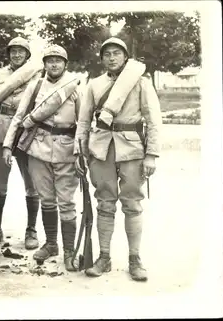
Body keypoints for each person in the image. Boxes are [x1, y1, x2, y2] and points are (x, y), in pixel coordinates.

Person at [74, 37, 162, 281]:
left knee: (132, 203)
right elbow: (83, 121)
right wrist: (79, 152)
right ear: (101, 59)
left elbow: (153, 119)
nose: (111, 57)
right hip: (101, 148)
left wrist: (152, 155)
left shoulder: (140, 82)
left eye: (116, 53)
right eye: (107, 54)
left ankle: (135, 258)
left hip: (132, 148)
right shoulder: (94, 84)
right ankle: (104, 257)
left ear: (125, 56)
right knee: (105, 202)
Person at [2, 45, 82, 270]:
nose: (54, 64)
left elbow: (83, 123)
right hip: (38, 149)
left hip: (66, 150)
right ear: (44, 64)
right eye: (50, 60)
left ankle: (69, 251)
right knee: (46, 199)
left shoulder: (74, 87)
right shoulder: (36, 85)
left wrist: (81, 152)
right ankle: (51, 244)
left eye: (58, 60)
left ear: (65, 64)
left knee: (66, 203)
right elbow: (19, 116)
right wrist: (8, 145)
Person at [0, 37, 41, 249]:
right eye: (13, 51)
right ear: (8, 54)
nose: (16, 55)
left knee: (32, 184)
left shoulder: (36, 76)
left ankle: (31, 230)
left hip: (24, 133)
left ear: (27, 55)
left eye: (21, 51)